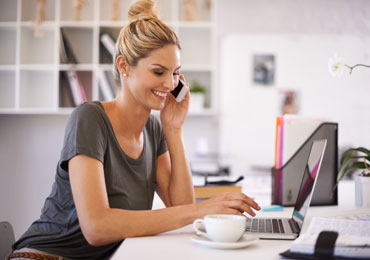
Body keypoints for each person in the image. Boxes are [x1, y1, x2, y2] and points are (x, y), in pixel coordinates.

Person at [10, 1, 260, 259]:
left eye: (176, 73)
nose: (170, 83)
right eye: (158, 71)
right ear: (124, 66)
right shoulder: (89, 118)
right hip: (45, 255)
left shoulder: (154, 129)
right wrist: (201, 209)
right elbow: (96, 227)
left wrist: (174, 130)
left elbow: (181, 209)